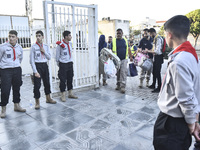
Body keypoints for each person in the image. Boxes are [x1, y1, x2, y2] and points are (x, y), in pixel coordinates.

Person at [153, 15, 200, 150]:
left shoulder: (179, 62)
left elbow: (186, 96)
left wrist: (192, 122)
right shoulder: (191, 56)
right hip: (180, 122)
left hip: (171, 123)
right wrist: (194, 119)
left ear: (169, 35)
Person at [0, 30, 26, 118]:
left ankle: (17, 105)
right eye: (9, 36)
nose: (11, 38)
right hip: (6, 70)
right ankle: (3, 108)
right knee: (5, 90)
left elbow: (20, 58)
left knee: (17, 88)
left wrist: (16, 67)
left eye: (13, 36)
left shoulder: (19, 47)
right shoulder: (3, 47)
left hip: (17, 69)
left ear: (16, 38)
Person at [30, 30, 56, 109]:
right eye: (37, 36)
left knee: (47, 82)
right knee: (37, 85)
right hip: (38, 66)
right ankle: (37, 102)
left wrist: (44, 51)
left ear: (42, 37)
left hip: (45, 65)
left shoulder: (46, 46)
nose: (38, 37)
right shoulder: (33, 47)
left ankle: (48, 98)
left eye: (39, 36)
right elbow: (31, 61)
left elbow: (49, 57)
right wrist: (35, 71)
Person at [56, 30, 78, 102]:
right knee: (63, 80)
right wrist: (59, 64)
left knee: (70, 78)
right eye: (69, 35)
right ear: (66, 37)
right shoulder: (60, 45)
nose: (71, 37)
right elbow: (57, 56)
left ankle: (70, 93)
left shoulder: (70, 43)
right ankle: (63, 95)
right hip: (63, 64)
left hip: (70, 63)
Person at [111, 28, 133, 93]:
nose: (118, 35)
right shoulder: (114, 41)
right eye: (117, 33)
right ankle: (118, 85)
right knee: (118, 73)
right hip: (116, 60)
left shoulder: (125, 40)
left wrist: (131, 56)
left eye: (119, 33)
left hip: (124, 59)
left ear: (122, 34)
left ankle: (123, 86)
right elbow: (111, 50)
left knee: (123, 73)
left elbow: (129, 49)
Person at [145, 28, 164, 93]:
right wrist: (148, 51)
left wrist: (148, 51)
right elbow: (154, 50)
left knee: (157, 72)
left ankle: (159, 87)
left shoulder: (158, 39)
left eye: (150, 34)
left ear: (153, 32)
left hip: (158, 57)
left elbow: (157, 51)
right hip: (155, 57)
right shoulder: (155, 39)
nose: (150, 35)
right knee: (154, 72)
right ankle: (153, 84)